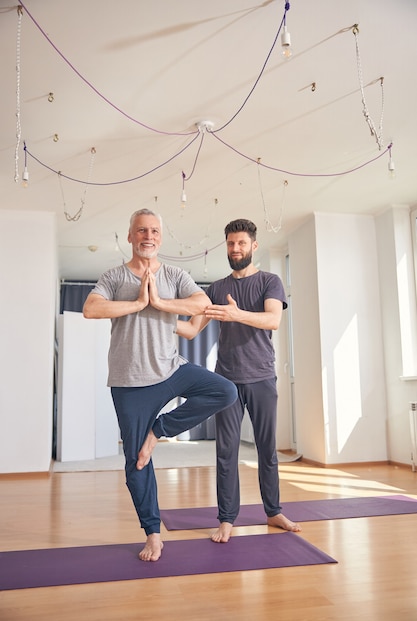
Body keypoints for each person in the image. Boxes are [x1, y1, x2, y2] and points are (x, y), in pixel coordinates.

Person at [83, 208, 237, 562]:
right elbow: (92, 309)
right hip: (129, 382)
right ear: (131, 236)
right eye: (141, 230)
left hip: (170, 370)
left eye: (153, 231)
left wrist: (160, 303)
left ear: (160, 237)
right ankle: (153, 534)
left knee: (224, 391)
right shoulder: (114, 276)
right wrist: (137, 302)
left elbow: (201, 302)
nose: (148, 236)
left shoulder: (174, 274)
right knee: (137, 462)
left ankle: (161, 429)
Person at [176, 218, 301, 543]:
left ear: (253, 246)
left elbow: (273, 320)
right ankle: (226, 519)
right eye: (231, 243)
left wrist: (236, 314)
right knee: (226, 452)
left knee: (266, 450)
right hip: (226, 382)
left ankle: (273, 511)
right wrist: (155, 318)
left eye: (241, 243)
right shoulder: (216, 289)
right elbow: (191, 329)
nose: (235, 249)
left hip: (261, 377)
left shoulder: (270, 281)